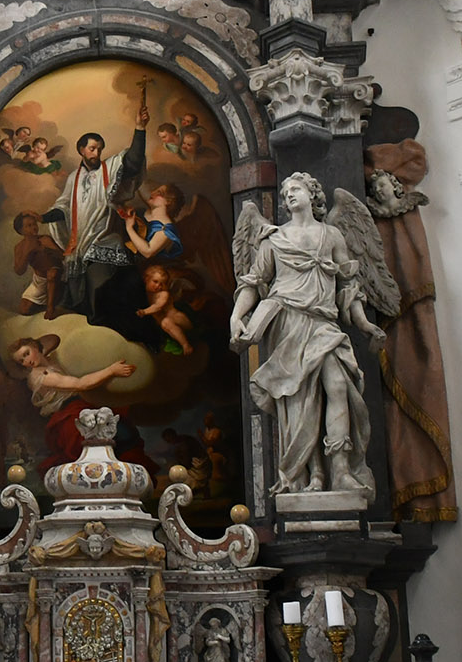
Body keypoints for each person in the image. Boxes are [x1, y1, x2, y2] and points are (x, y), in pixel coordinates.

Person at [231, 173, 385, 498]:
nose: (289, 194)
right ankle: (314, 475)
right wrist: (236, 316)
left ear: (312, 194)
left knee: (338, 385)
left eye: (296, 189)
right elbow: (253, 282)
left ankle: (341, 471)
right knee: (302, 402)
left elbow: (349, 285)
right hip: (287, 323)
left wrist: (364, 324)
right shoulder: (273, 239)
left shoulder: (332, 235)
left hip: (323, 322)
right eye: (285, 191)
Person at [41, 103, 151, 312]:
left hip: (105, 238)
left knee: (106, 286)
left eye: (99, 149)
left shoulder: (109, 168)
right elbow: (64, 208)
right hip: (80, 243)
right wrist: (42, 218)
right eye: (92, 149)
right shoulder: (73, 178)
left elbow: (133, 162)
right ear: (81, 150)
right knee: (80, 298)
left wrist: (140, 129)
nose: (97, 153)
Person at [5, 334, 145, 477]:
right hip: (67, 416)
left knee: (125, 431)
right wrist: (111, 371)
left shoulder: (49, 361)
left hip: (79, 406)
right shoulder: (40, 376)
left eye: (27, 354)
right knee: (105, 440)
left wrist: (40, 350)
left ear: (35, 347)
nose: (27, 361)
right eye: (21, 360)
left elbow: (53, 340)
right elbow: (80, 384)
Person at [12, 211, 66, 318]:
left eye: (34, 224)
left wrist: (46, 250)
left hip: (55, 277)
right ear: (21, 230)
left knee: (52, 274)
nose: (34, 227)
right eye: (29, 225)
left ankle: (51, 308)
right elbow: (19, 271)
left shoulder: (45, 239)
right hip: (39, 280)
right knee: (24, 309)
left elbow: (62, 256)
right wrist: (27, 253)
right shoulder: (19, 247)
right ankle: (47, 303)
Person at [136, 264, 195, 354]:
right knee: (165, 324)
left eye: (162, 284)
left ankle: (186, 345)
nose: (158, 286)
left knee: (166, 322)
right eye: (155, 281)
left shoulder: (163, 294)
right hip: (168, 327)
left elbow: (158, 307)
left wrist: (144, 312)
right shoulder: (145, 294)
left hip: (180, 320)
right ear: (146, 279)